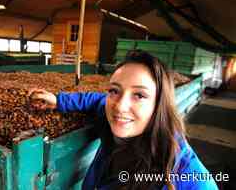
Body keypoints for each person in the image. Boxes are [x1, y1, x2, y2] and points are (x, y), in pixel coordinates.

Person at [28, 50, 218, 190]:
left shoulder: (188, 177)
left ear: (159, 105)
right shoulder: (116, 123)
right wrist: (59, 100)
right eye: (114, 90)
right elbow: (97, 101)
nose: (119, 106)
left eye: (139, 95)